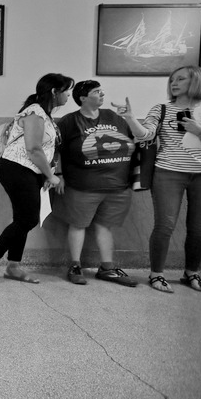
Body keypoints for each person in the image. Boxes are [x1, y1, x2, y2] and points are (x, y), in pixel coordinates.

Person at [113, 65, 201, 293]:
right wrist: (129, 118)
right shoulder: (162, 109)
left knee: (199, 228)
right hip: (169, 174)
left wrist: (199, 131)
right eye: (172, 80)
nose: (174, 83)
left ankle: (191, 273)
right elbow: (145, 134)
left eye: (180, 79)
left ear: (196, 81)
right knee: (165, 225)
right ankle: (156, 275)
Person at [0, 73, 73, 286]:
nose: (68, 95)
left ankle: (13, 266)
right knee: (28, 219)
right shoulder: (35, 113)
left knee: (22, 218)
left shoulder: (44, 114)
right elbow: (33, 148)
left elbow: (46, 149)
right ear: (54, 91)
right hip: (17, 169)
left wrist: (46, 172)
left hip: (30, 171)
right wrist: (51, 176)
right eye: (66, 90)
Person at [52, 80, 137, 287]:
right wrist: (59, 174)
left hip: (116, 186)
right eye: (96, 92)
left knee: (104, 226)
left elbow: (134, 140)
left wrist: (130, 117)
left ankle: (107, 268)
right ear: (83, 97)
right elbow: (56, 149)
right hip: (82, 185)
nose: (102, 94)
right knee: (78, 224)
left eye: (101, 91)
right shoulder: (69, 121)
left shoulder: (113, 117)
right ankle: (75, 266)